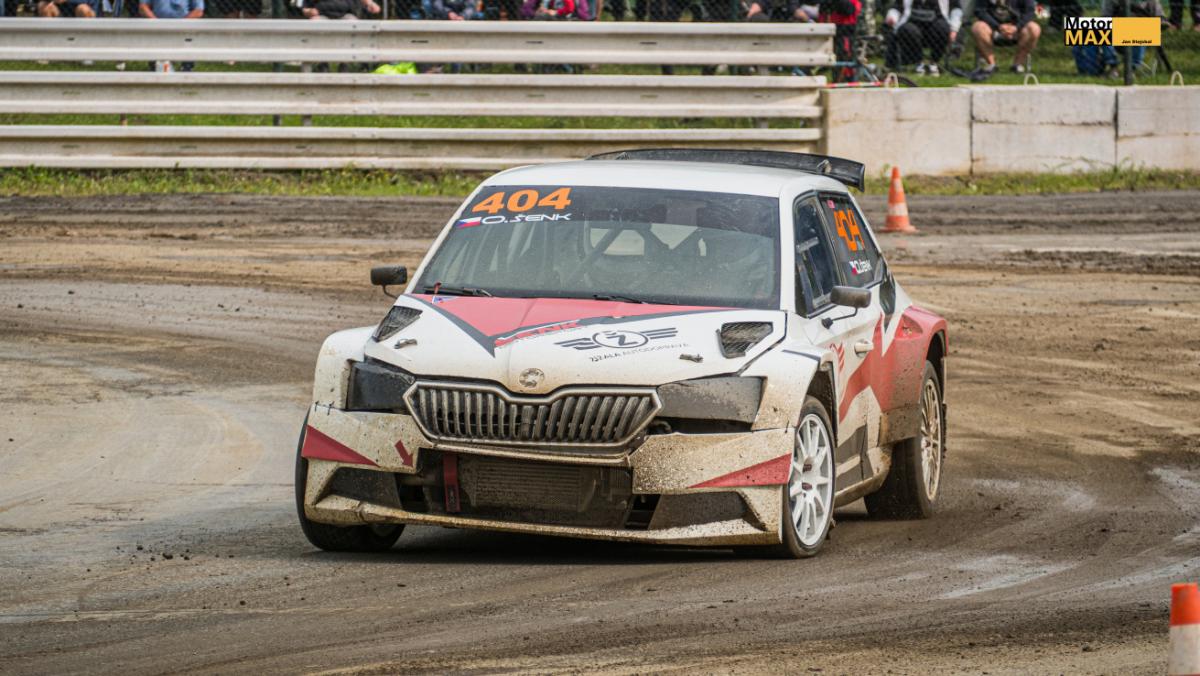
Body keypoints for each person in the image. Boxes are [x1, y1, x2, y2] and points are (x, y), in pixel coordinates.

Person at [884, 0, 963, 74]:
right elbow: (897, 8)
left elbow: (956, 9)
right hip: (912, 23)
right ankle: (918, 63)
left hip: (936, 24)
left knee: (943, 28)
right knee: (907, 29)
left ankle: (934, 62)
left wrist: (954, 29)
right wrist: (892, 17)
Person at [969, 0, 1039, 79]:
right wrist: (998, 27)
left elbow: (1030, 13)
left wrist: (1016, 27)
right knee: (977, 27)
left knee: (1034, 28)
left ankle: (1017, 65)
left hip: (1018, 29)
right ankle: (991, 65)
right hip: (992, 28)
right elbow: (980, 11)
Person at [140, 0, 203, 71]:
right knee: (160, 67)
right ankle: (156, 67)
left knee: (189, 36)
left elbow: (198, 11)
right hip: (157, 29)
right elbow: (143, 7)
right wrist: (156, 23)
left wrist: (180, 25)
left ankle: (186, 69)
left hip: (184, 29)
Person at [301, 0, 380, 18]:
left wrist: (371, 4)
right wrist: (310, 12)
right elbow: (305, 9)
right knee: (315, 23)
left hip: (346, 15)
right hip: (322, 16)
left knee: (354, 24)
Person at [520, 0, 591, 17]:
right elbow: (525, 10)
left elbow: (570, 8)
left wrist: (556, 12)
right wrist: (536, 13)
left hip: (571, 21)